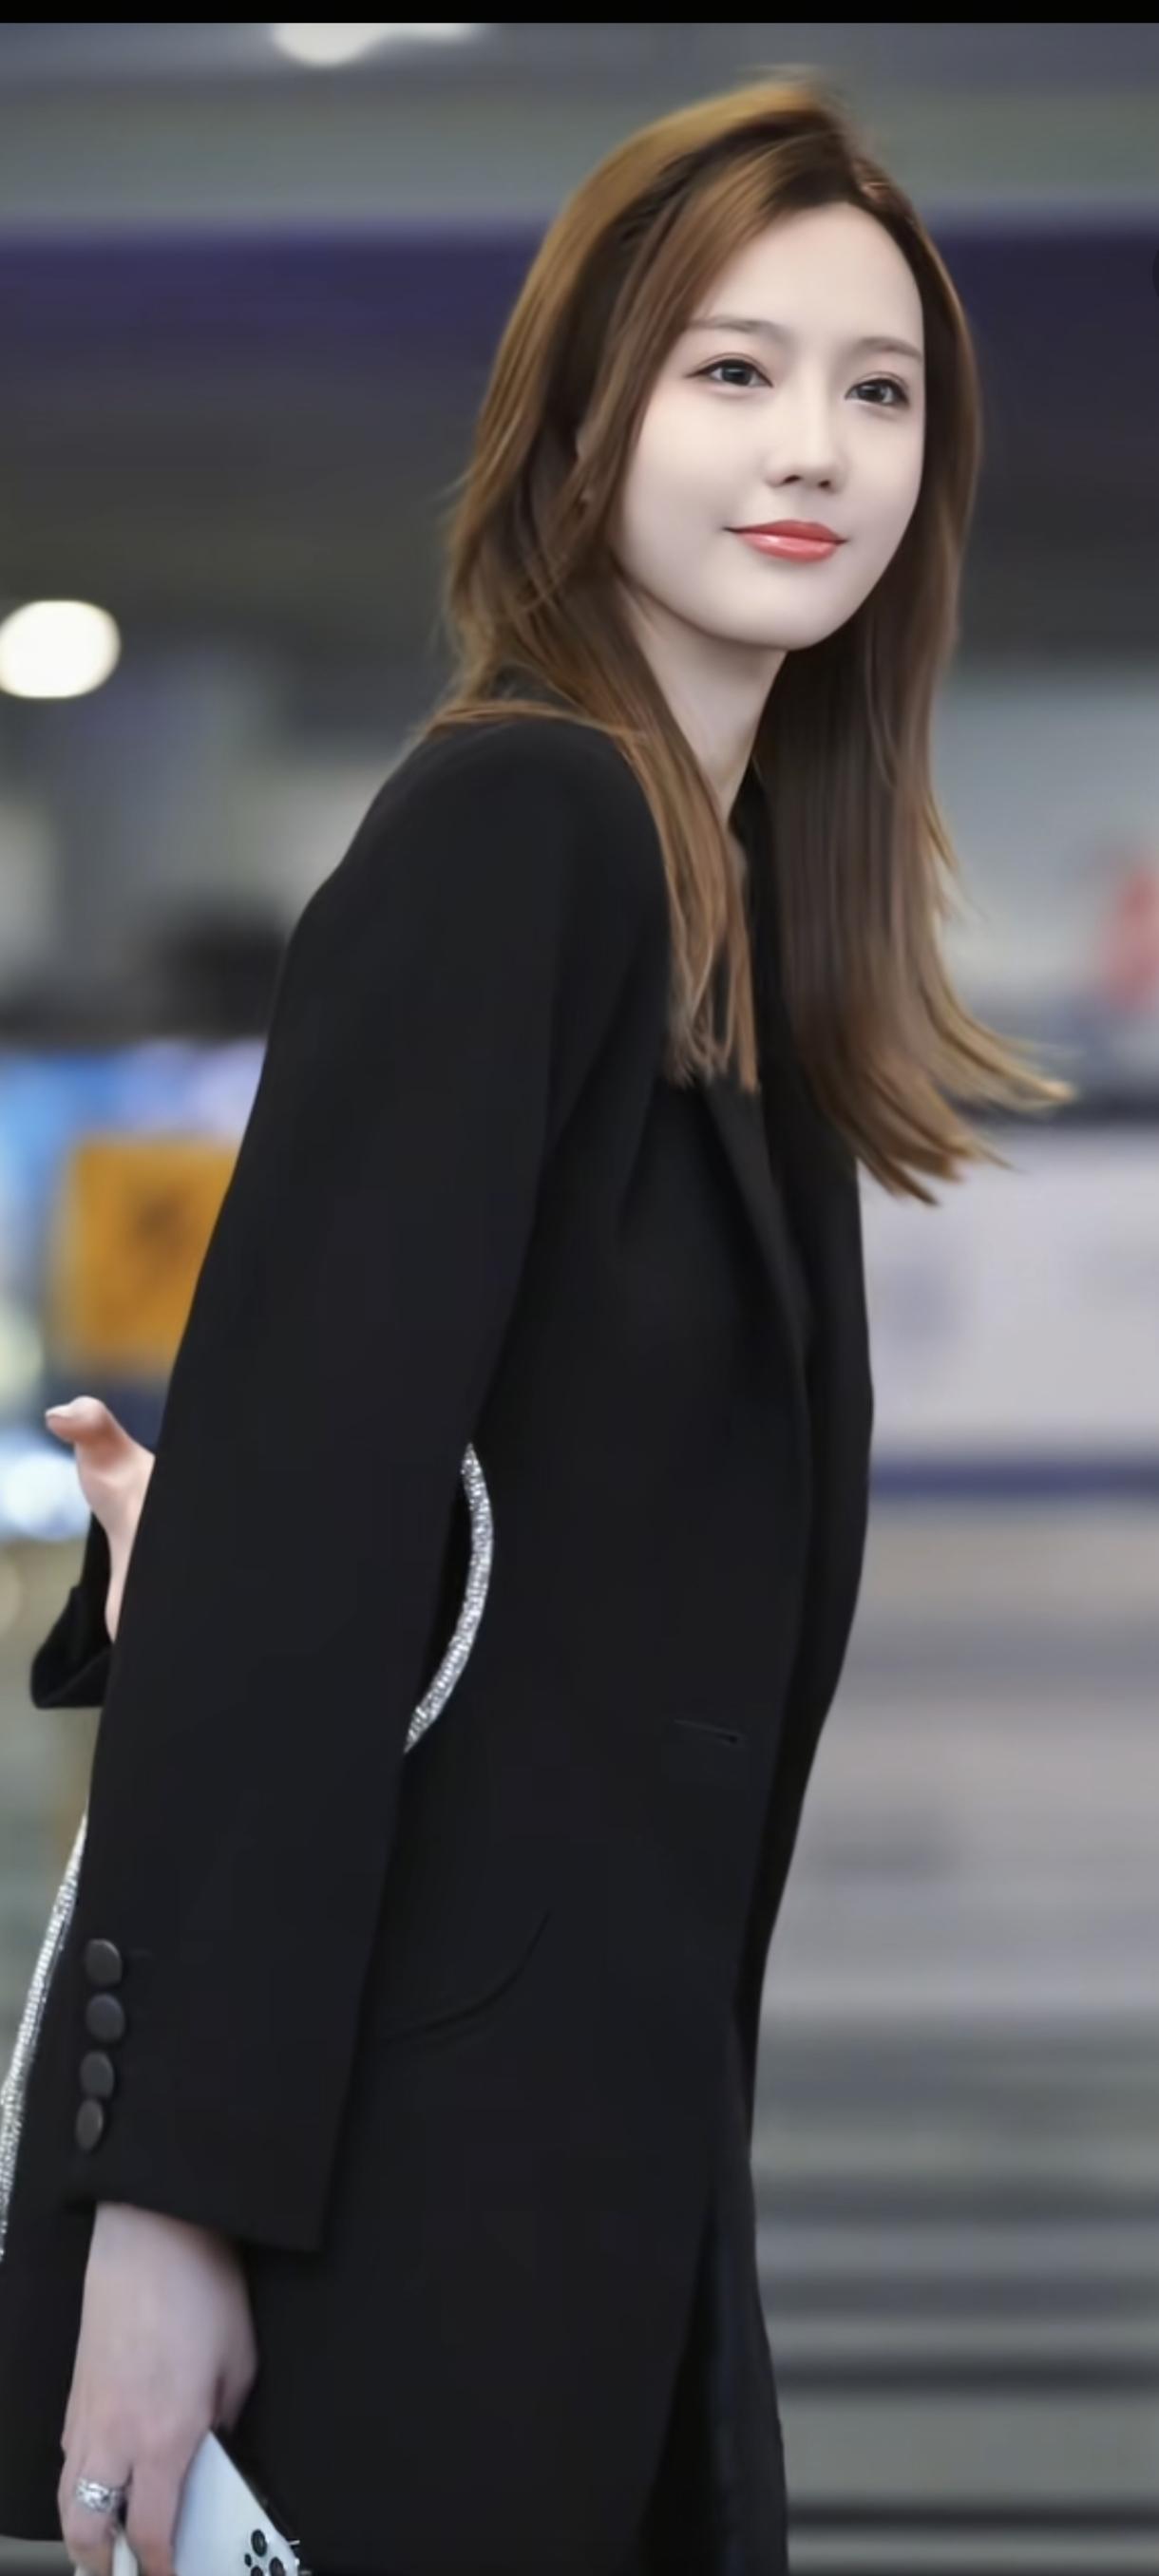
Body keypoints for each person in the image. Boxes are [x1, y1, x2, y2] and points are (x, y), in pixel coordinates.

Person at [0, 70, 1067, 2576]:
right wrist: (166, 2217)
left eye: (878, 388)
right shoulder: (523, 832)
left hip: (599, 2173)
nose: (812, 446)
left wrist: (244, 1560)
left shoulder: (731, 927)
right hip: (401, 2199)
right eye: (731, 369)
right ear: (584, 420)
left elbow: (422, 1522)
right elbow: (310, 1538)